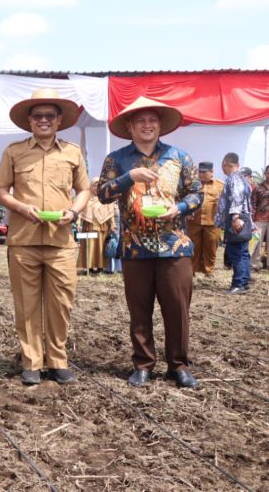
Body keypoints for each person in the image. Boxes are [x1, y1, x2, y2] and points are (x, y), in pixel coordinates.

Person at [98, 97, 202, 389]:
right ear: (130, 126)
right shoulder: (117, 160)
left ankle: (179, 365)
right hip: (134, 247)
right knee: (139, 310)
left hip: (175, 246)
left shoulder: (179, 157)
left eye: (152, 120)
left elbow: (196, 194)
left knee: (177, 310)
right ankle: (143, 364)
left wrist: (179, 209)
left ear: (160, 126)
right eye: (140, 120)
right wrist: (128, 177)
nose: (147, 125)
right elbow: (103, 193)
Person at [0, 89, 91, 386]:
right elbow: (0, 191)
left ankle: (58, 359)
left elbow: (84, 190)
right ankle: (32, 362)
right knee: (27, 304)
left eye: (50, 116)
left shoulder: (72, 153)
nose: (44, 121)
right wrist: (22, 207)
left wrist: (73, 213)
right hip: (24, 240)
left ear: (59, 120)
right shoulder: (14, 151)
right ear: (29, 121)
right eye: (38, 116)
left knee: (62, 303)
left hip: (61, 240)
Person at [215, 152, 253, 295]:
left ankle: (239, 284)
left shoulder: (234, 178)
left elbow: (236, 198)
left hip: (236, 219)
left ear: (225, 164)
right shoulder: (242, 179)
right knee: (243, 253)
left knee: (236, 253)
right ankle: (244, 281)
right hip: (243, 218)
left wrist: (236, 217)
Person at [186, 162, 224, 275]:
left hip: (212, 222)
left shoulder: (220, 185)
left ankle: (209, 270)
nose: (201, 174)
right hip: (194, 221)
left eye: (204, 172)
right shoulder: (192, 185)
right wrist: (186, 211)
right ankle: (192, 270)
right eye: (200, 172)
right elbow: (185, 198)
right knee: (193, 246)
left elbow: (224, 203)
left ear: (211, 172)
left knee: (211, 245)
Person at [77, 178, 116, 274]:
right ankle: (89, 267)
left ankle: (100, 267)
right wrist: (78, 223)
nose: (96, 188)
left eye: (98, 185)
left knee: (100, 246)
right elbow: (79, 211)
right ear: (90, 187)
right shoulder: (86, 199)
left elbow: (110, 213)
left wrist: (113, 224)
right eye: (94, 185)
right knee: (89, 246)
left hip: (102, 227)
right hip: (89, 226)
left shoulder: (105, 199)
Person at [251, 165, 269, 270]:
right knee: (256, 242)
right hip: (259, 219)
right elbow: (253, 203)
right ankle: (254, 264)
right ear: (265, 174)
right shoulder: (258, 187)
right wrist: (252, 219)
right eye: (268, 172)